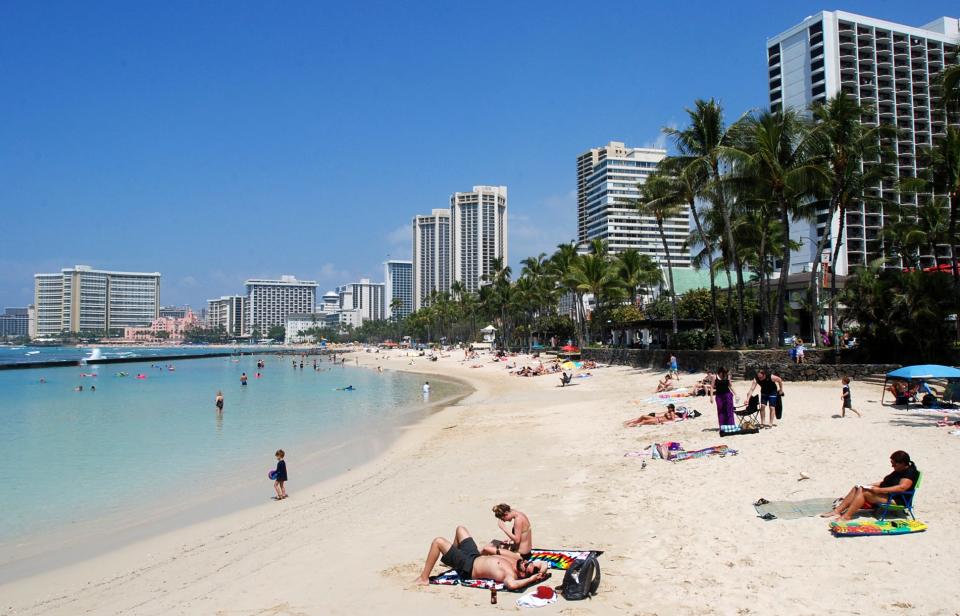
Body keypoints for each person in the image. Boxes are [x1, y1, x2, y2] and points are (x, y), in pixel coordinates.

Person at [413, 525, 549, 589]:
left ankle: (424, 578)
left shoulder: (510, 575)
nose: (525, 563)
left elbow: (512, 585)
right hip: (474, 556)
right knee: (461, 529)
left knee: (438, 541)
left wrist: (531, 579)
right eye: (527, 562)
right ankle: (453, 561)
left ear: (523, 574)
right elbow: (543, 564)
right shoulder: (515, 558)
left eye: (526, 566)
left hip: (468, 567)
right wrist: (540, 572)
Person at [821, 451, 919, 520]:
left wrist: (879, 491)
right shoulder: (899, 470)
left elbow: (902, 488)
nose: (892, 466)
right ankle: (837, 511)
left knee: (864, 492)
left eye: (894, 464)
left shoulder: (909, 473)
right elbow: (885, 483)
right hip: (889, 495)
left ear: (902, 463)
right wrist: (868, 485)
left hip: (898, 500)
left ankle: (847, 516)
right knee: (858, 487)